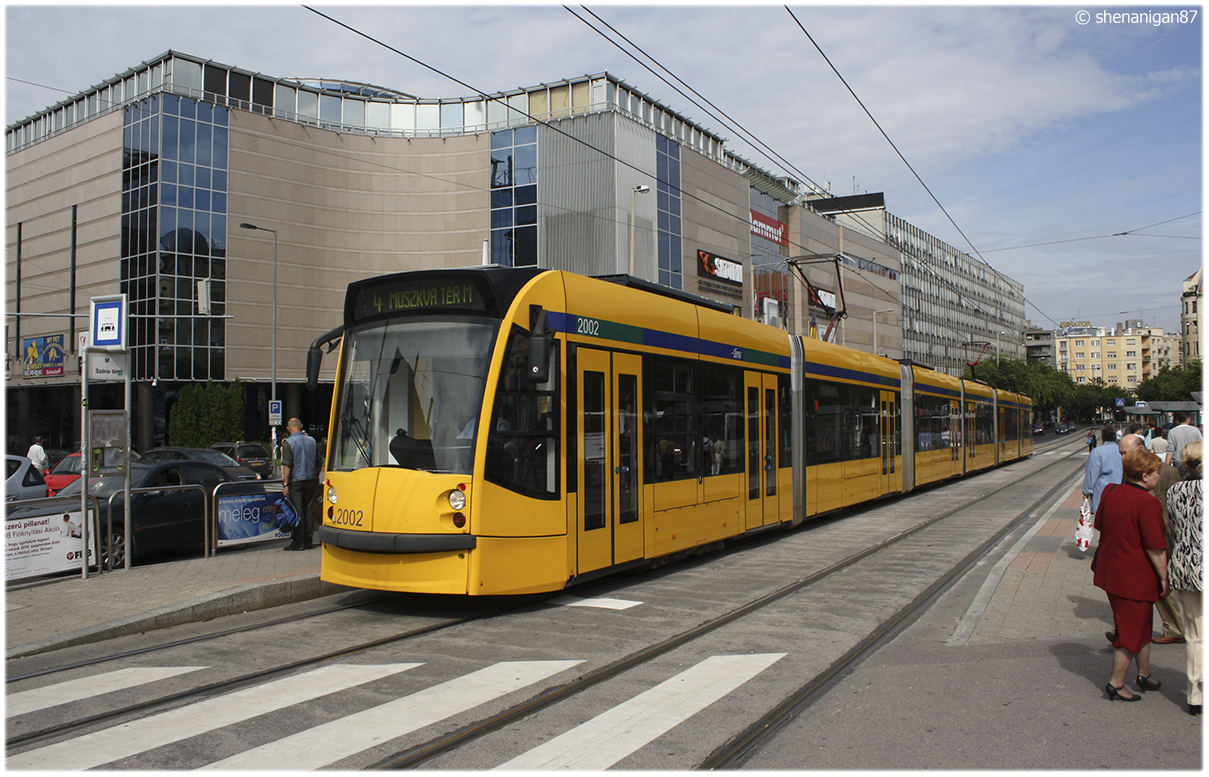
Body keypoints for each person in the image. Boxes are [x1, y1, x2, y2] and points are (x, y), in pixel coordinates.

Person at [1093, 447, 1168, 701]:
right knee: (1129, 631)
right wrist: (1165, 577)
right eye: (1157, 473)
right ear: (1145, 475)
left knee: (1143, 624)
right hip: (1134, 577)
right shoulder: (1148, 503)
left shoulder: (1111, 491)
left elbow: (1099, 523)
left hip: (1111, 571)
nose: (1159, 477)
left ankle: (1144, 674)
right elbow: (1156, 547)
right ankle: (1116, 683)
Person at [1120, 433, 1184, 645]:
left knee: (1161, 583)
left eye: (1125, 453)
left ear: (1141, 449)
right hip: (1136, 537)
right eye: (1121, 454)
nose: (1122, 458)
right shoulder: (1128, 471)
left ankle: (1174, 627)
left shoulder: (1168, 472)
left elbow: (1178, 508)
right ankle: (1125, 629)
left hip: (1163, 536)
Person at [1167, 440, 1203, 715]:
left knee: (1194, 634)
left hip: (1185, 566)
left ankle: (1194, 695)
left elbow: (1174, 528)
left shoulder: (1175, 491)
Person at [281, 417, 319, 551]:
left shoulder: (288, 442)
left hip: (296, 480)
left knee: (297, 511)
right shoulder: (312, 441)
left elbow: (287, 464)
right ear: (301, 426)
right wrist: (316, 477)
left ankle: (298, 541)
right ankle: (309, 539)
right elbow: (319, 462)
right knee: (308, 509)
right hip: (310, 479)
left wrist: (285, 484)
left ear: (288, 428)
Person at [1083, 425, 1122, 513]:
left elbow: (1092, 473)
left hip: (1103, 491)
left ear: (1103, 437)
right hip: (1121, 490)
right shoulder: (1121, 450)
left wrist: (1087, 491)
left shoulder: (1098, 452)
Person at [1167, 412, 1203, 477]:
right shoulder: (1195, 430)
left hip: (1178, 460)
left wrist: (1166, 464)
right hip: (1194, 459)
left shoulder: (1172, 431)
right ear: (1188, 419)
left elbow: (1170, 450)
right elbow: (1201, 444)